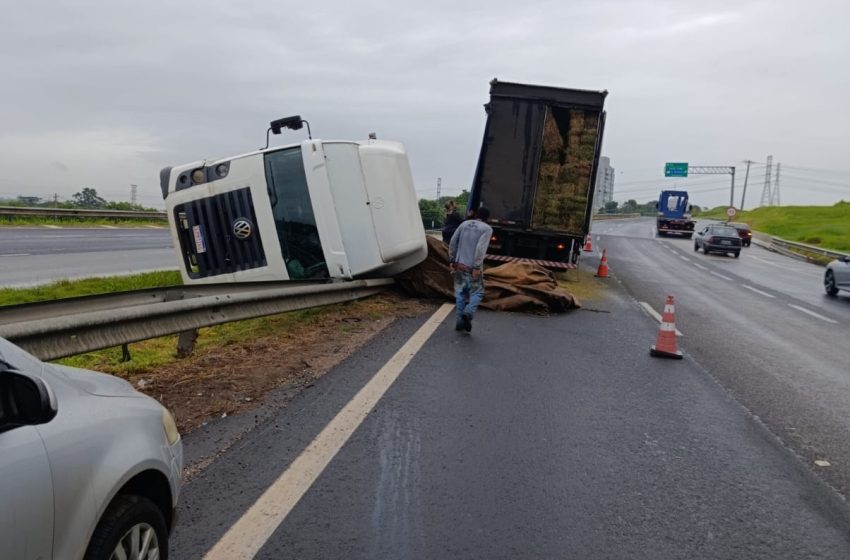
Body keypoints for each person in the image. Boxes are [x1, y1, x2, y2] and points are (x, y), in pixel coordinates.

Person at [448, 206, 492, 333]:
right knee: (477, 292)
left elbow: (452, 242)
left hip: (460, 265)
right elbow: (480, 249)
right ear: (487, 218)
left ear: (476, 214)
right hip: (473, 267)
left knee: (460, 294)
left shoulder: (464, 224)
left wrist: (452, 259)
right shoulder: (487, 229)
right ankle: (468, 312)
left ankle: (459, 323)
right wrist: (477, 266)